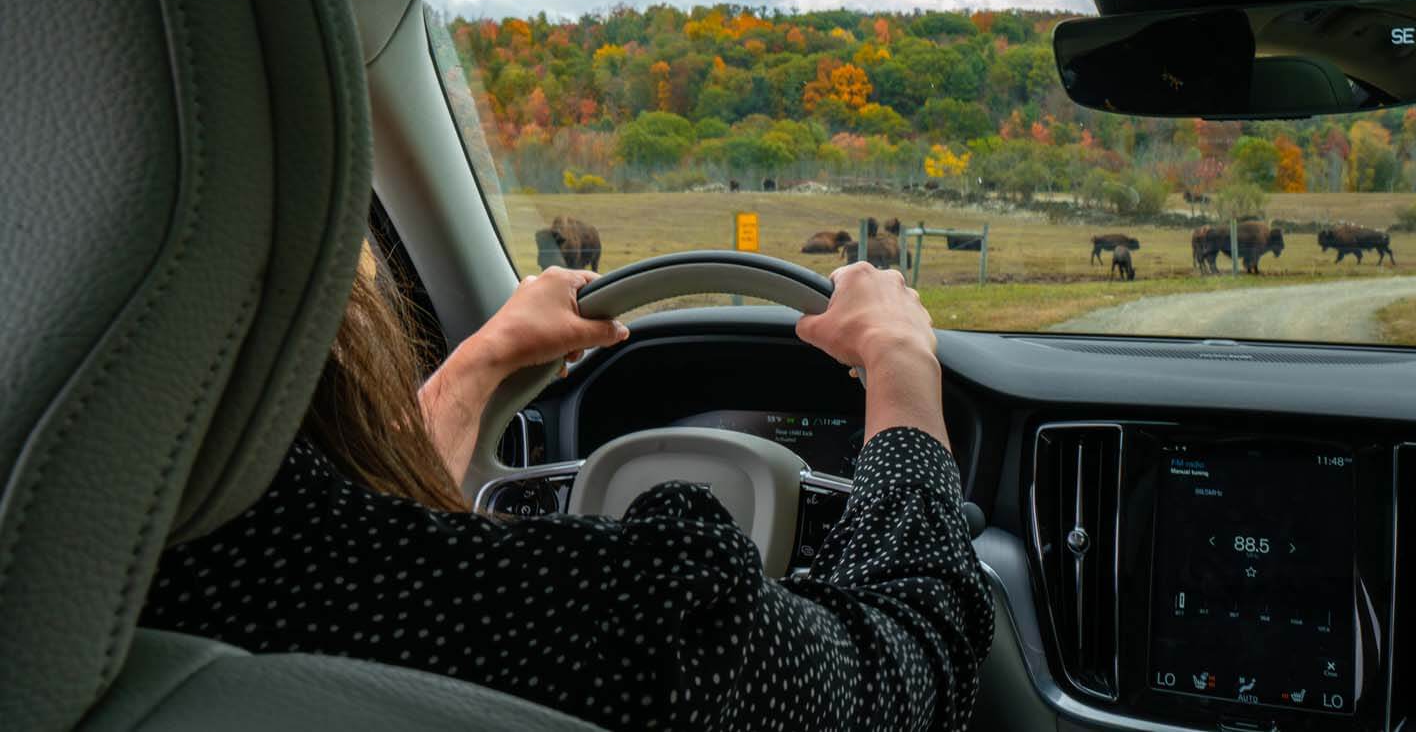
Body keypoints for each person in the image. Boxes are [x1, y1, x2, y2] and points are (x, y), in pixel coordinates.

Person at [141, 251, 995, 731]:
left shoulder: (139, 570)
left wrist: (483, 361)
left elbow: (363, 530)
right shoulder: (616, 613)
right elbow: (916, 666)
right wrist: (898, 358)